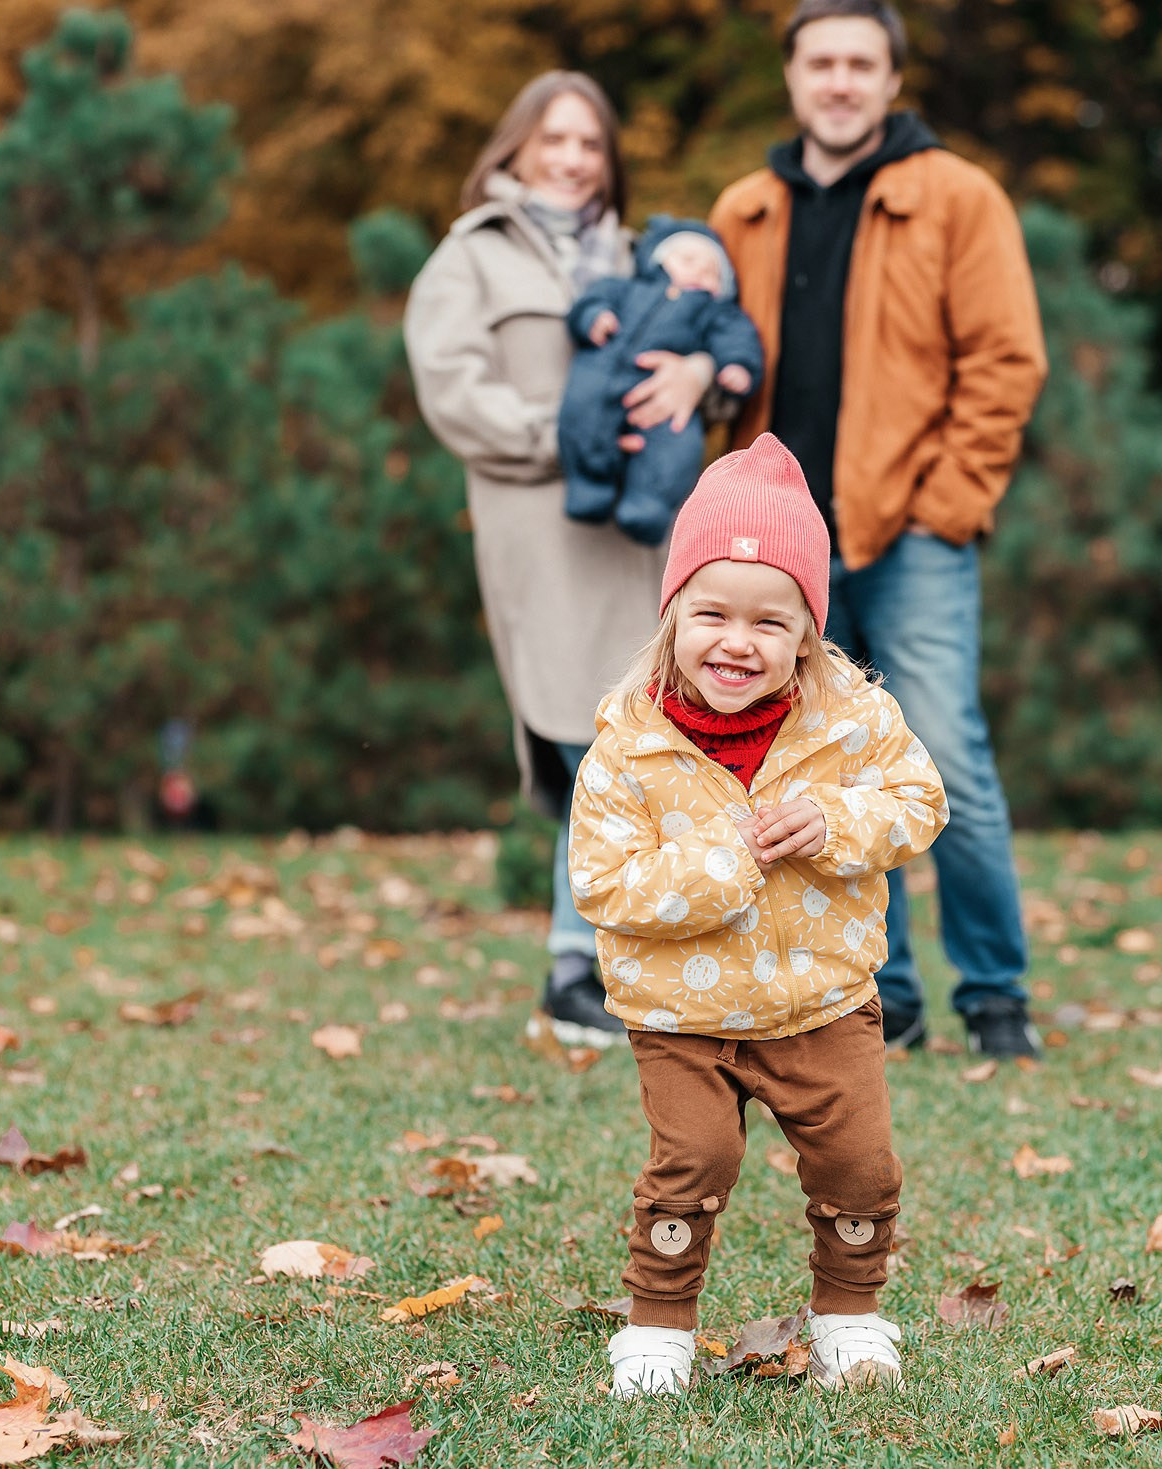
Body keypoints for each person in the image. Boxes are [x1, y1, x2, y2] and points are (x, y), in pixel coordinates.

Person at [566, 434, 946, 1396]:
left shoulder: (852, 720)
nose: (737, 641)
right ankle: (657, 1326)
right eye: (713, 613)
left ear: (808, 632)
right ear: (673, 613)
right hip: (681, 1012)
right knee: (694, 1160)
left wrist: (836, 820)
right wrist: (725, 863)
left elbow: (920, 801)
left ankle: (850, 1316)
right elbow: (603, 883)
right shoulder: (628, 745)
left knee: (860, 1164)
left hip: (823, 998)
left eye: (769, 621)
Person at [708, 0, 1049, 1057]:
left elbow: (1005, 362)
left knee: (945, 759)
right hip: (782, 550)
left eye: (861, 63)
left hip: (910, 531)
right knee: (825, 770)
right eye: (822, 62)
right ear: (792, 76)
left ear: (892, 80)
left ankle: (994, 995)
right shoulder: (745, 210)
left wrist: (946, 506)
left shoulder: (956, 196)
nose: (840, 81)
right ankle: (882, 998)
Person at [405, 73, 718, 1047]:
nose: (574, 159)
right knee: (592, 743)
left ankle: (610, 961)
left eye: (591, 143)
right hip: (542, 528)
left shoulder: (637, 255)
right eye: (555, 139)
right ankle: (576, 964)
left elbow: (700, 345)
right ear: (515, 148)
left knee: (641, 743)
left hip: (641, 536)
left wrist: (698, 374)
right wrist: (568, 433)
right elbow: (454, 392)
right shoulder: (471, 257)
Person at [559, 217, 765, 544]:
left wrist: (739, 366)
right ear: (659, 259)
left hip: (667, 399)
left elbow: (738, 338)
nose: (699, 271)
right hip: (602, 373)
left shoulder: (715, 312)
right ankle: (589, 485)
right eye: (688, 259)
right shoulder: (628, 288)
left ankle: (649, 505)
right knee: (582, 412)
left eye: (712, 270)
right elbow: (592, 300)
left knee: (677, 446)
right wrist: (594, 317)